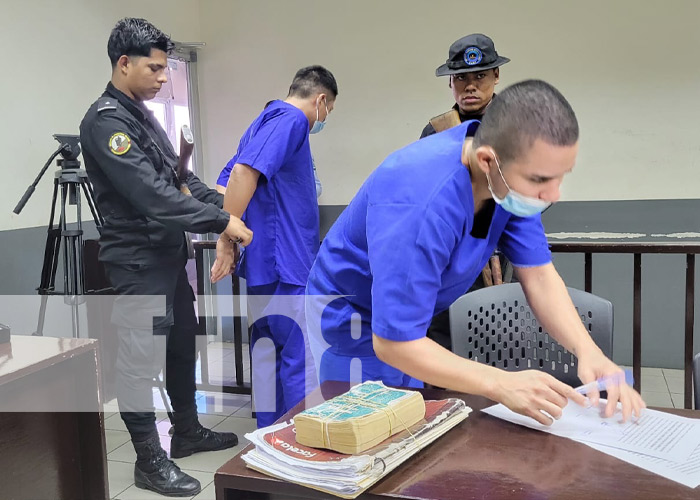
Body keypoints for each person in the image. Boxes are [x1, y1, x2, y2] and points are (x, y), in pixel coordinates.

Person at [306, 80, 645, 426]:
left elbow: (540, 276)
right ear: (487, 161)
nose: (553, 194)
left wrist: (588, 351)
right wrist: (500, 383)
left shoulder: (506, 182)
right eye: (542, 179)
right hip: (350, 313)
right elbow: (394, 342)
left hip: (403, 323)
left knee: (407, 415)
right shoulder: (419, 200)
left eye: (561, 177)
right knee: (362, 436)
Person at [79, 18, 253, 497]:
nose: (162, 78)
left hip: (166, 256)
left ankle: (187, 432)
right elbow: (154, 196)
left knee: (180, 346)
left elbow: (181, 179)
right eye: (155, 69)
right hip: (137, 262)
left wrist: (226, 202)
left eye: (165, 69)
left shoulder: (143, 115)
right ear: (123, 63)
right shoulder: (106, 122)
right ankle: (147, 459)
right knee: (141, 360)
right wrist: (222, 223)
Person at [210, 66, 337, 428]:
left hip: (264, 266)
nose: (323, 119)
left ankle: (268, 440)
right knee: (298, 359)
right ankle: (299, 446)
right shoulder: (294, 118)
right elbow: (241, 175)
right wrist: (226, 239)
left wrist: (232, 233)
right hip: (289, 264)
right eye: (328, 112)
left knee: (267, 356)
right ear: (321, 100)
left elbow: (225, 183)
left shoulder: (261, 121)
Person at [422, 33, 511, 350]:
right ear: (450, 82)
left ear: (496, 76)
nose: (469, 86)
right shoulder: (436, 130)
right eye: (460, 78)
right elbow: (425, 197)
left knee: (499, 340)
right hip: (449, 256)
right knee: (444, 338)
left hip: (504, 249)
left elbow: (539, 196)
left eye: (480, 76)